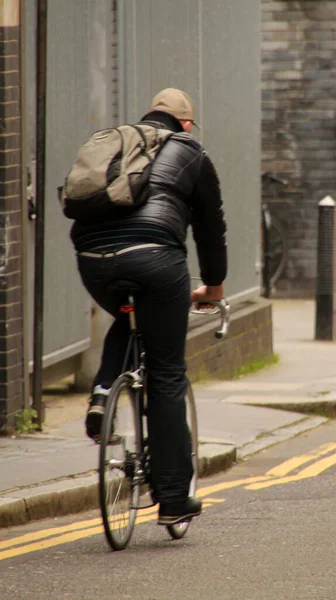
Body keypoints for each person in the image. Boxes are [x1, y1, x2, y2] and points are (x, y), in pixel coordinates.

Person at [69, 88, 227, 525]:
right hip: (156, 259)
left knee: (127, 316)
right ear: (187, 124)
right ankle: (175, 497)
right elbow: (211, 231)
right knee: (166, 374)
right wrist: (212, 289)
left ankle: (103, 394)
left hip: (92, 258)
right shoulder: (191, 152)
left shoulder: (114, 141)